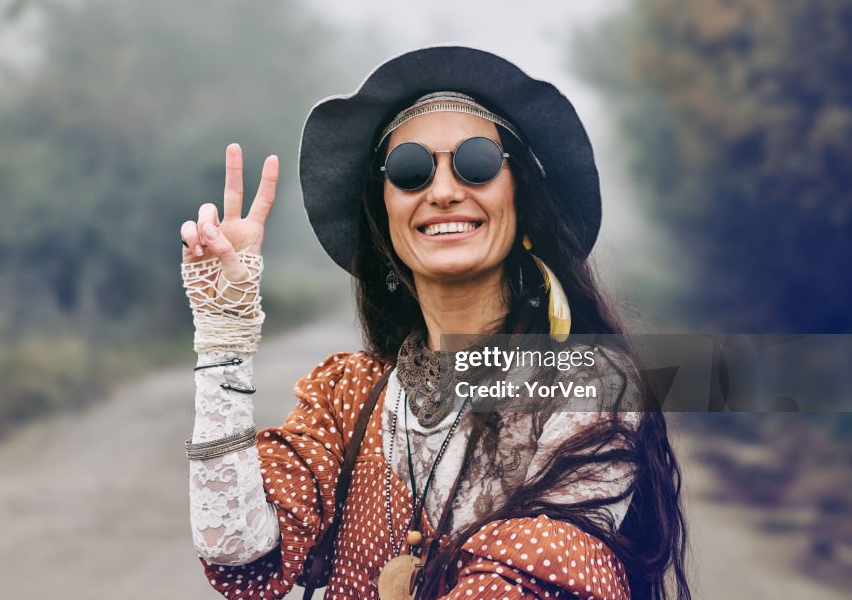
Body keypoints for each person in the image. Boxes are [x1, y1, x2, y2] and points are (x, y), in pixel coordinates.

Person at [180, 46, 690, 599]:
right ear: (386, 215)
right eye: (410, 171)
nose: (443, 192)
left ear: (521, 196)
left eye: (476, 163)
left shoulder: (590, 385)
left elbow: (549, 571)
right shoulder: (348, 395)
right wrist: (223, 329)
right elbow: (234, 543)